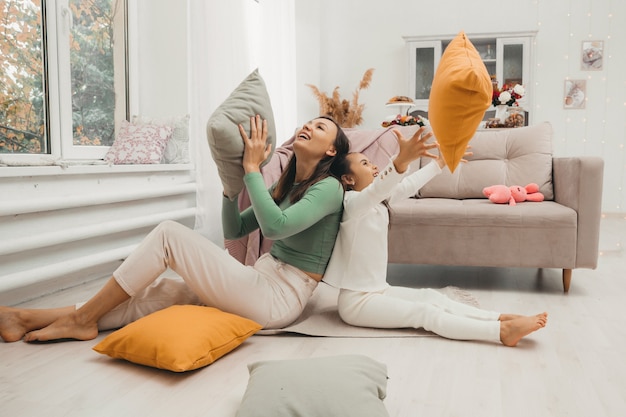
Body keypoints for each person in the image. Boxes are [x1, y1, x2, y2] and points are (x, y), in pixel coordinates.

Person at [0, 115, 350, 343]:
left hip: (280, 296)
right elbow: (235, 230)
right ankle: (26, 317)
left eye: (320, 127)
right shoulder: (288, 184)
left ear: (332, 149)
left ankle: (83, 319)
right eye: (308, 122)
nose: (308, 126)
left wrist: (251, 169)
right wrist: (231, 190)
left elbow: (276, 227)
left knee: (169, 234)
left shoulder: (330, 187)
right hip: (261, 279)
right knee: (159, 294)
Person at [323, 126, 547, 347]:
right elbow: (378, 189)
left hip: (379, 290)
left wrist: (440, 163)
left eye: (370, 162)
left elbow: (406, 185)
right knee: (424, 313)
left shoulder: (379, 203)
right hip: (357, 302)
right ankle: (500, 332)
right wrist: (401, 160)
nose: (373, 165)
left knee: (431, 297)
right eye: (364, 163)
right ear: (348, 179)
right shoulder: (352, 204)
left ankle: (497, 318)